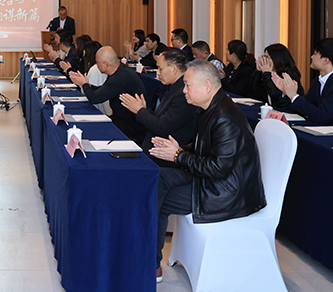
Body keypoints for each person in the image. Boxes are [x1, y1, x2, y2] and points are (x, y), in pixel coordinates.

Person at [149, 60, 266, 283]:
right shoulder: (212, 107)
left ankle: (150, 265)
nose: (183, 90)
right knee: (158, 178)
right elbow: (206, 148)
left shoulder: (225, 117)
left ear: (207, 86)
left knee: (158, 200)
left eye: (187, 85)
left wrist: (178, 155)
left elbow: (219, 168)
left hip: (227, 192)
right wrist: (180, 150)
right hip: (213, 180)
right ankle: (149, 259)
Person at [119, 49, 198, 166]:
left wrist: (140, 111)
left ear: (174, 69)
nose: (158, 73)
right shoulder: (174, 88)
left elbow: (161, 127)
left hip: (163, 156)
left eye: (160, 69)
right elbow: (161, 118)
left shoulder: (184, 94)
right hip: (152, 147)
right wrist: (143, 110)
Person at [272, 38, 333, 131]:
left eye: (315, 54)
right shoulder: (318, 81)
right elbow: (305, 109)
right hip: (324, 131)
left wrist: (293, 96)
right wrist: (286, 92)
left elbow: (320, 116)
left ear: (326, 60)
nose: (312, 57)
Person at [68, 46, 147, 142]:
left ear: (105, 64)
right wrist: (86, 84)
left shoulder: (120, 77)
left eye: (97, 63)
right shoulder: (119, 71)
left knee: (90, 131)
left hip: (131, 126)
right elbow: (103, 90)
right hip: (121, 120)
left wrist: (84, 84)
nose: (96, 65)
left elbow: (95, 98)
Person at [251, 43, 304, 111]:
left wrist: (266, 73)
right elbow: (255, 90)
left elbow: (275, 95)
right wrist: (258, 71)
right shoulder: (269, 72)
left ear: (276, 59)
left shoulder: (289, 74)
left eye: (267, 57)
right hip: (272, 109)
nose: (264, 60)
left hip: (288, 112)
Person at [81, 41, 110, 116]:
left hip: (99, 110)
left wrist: (82, 83)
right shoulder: (94, 67)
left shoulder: (95, 69)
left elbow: (92, 94)